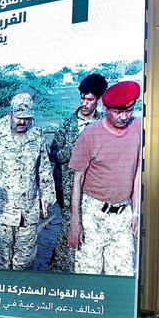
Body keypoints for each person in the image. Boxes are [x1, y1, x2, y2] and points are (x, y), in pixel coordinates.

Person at [67, 81, 142, 276]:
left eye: (129, 110)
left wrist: (136, 213)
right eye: (118, 111)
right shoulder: (89, 135)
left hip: (123, 214)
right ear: (105, 108)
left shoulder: (138, 129)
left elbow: (137, 172)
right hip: (93, 214)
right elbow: (77, 179)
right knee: (88, 278)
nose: (124, 117)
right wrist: (76, 221)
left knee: (122, 278)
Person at [0, 93, 54, 270]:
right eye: (19, 118)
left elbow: (44, 169)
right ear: (11, 113)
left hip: (28, 210)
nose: (22, 123)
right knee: (2, 261)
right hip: (2, 211)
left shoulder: (37, 135)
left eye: (26, 119)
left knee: (25, 261)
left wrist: (47, 198)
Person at [49, 73, 108, 272]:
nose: (84, 103)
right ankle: (59, 274)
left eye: (89, 99)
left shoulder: (104, 124)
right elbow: (55, 154)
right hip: (69, 190)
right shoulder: (68, 124)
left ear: (98, 100)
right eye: (82, 97)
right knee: (68, 233)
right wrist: (76, 148)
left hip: (96, 192)